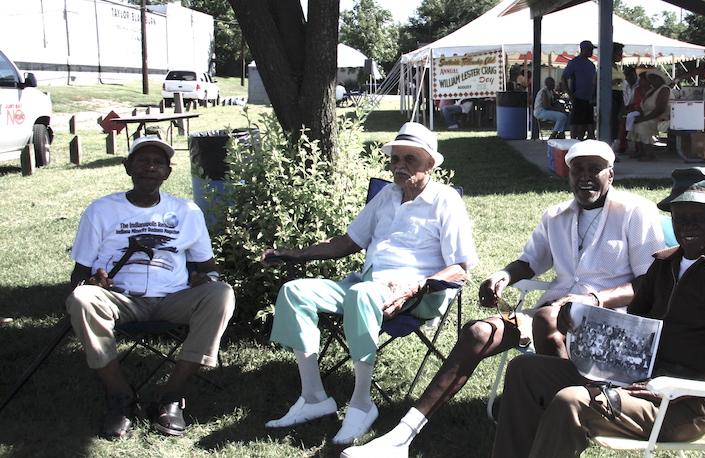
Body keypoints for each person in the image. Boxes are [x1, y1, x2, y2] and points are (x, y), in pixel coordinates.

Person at [345, 140, 667, 458]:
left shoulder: (635, 212)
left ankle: (556, 424)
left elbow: (650, 283)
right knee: (477, 333)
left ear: (610, 174)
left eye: (594, 169)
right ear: (567, 175)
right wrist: (504, 275)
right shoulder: (556, 216)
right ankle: (402, 437)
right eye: (577, 169)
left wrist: (595, 299)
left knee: (546, 319)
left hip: (610, 322)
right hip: (553, 313)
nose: (585, 176)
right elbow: (531, 261)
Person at [491, 166, 705, 458]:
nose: (688, 225)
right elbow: (631, 325)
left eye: (698, 215)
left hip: (682, 404)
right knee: (525, 370)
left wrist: (681, 389)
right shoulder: (665, 263)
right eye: (680, 216)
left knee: (571, 402)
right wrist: (582, 321)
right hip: (633, 379)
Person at [262, 122, 478, 445]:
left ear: (430, 164)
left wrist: (416, 286)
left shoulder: (445, 202)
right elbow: (347, 242)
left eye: (410, 160)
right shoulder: (387, 197)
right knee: (295, 292)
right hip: (368, 285)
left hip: (417, 293)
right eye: (396, 159)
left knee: (362, 295)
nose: (400, 166)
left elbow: (460, 268)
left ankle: (362, 404)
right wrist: (293, 254)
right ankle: (313, 397)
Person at [65, 135, 236, 440]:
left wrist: (204, 279)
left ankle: (171, 397)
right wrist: (92, 283)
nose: (150, 167)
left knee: (222, 293)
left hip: (174, 298)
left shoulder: (187, 212)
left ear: (168, 172)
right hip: (119, 298)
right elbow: (77, 275)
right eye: (142, 160)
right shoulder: (101, 210)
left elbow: (209, 267)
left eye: (158, 162)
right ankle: (120, 397)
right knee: (81, 299)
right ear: (127, 166)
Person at [628, 69, 671, 162]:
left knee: (642, 125)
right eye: (650, 79)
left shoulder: (664, 89)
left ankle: (650, 153)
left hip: (661, 117)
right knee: (634, 123)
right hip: (650, 116)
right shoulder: (651, 91)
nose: (652, 81)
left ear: (660, 79)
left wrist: (643, 119)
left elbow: (660, 109)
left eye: (654, 78)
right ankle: (641, 151)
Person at [563, 40, 598, 140]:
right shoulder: (574, 63)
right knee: (576, 124)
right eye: (590, 49)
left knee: (589, 123)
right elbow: (564, 78)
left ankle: (585, 142)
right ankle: (573, 143)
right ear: (583, 49)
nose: (592, 52)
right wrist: (570, 95)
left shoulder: (591, 65)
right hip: (578, 97)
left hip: (590, 99)